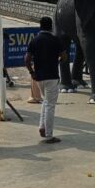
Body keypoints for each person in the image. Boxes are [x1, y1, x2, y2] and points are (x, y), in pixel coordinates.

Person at [25, 16, 66, 145]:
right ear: (51, 26)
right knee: (50, 105)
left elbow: (26, 59)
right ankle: (49, 135)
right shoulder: (55, 40)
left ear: (40, 26)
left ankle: (42, 127)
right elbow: (64, 57)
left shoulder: (34, 40)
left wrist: (32, 72)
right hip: (52, 76)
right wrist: (57, 61)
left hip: (39, 77)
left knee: (45, 102)